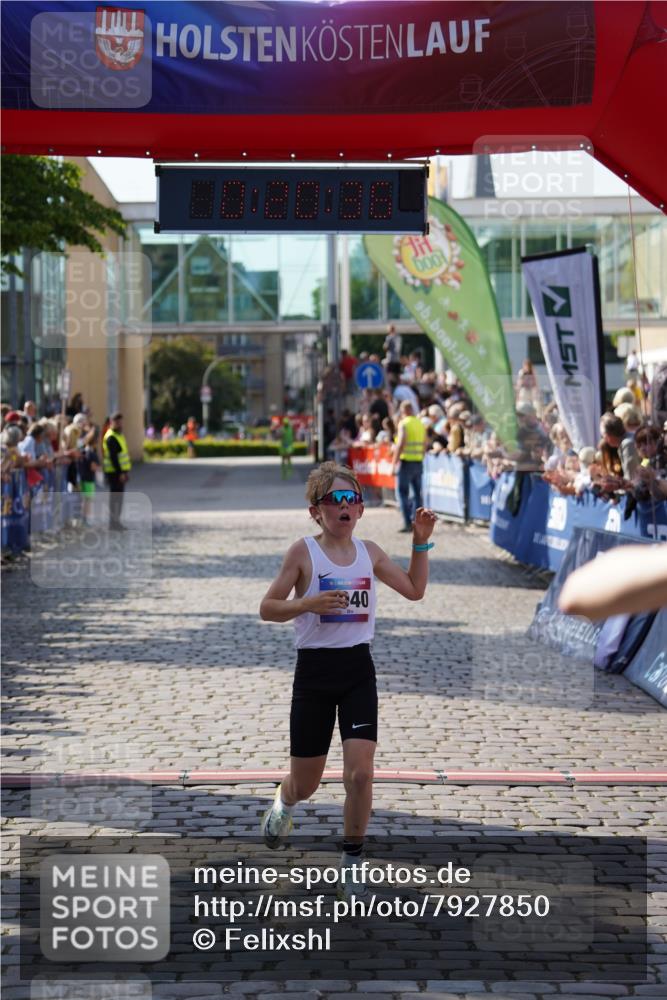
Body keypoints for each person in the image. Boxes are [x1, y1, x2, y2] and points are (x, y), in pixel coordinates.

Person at [258, 461, 437, 900]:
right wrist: (308, 603)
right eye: (335, 499)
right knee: (306, 783)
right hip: (314, 674)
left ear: (360, 510)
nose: (345, 506)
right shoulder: (303, 553)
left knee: (360, 775)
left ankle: (352, 861)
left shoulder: (369, 553)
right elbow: (267, 607)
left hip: (358, 670)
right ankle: (285, 800)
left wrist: (420, 542)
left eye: (352, 499)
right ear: (316, 511)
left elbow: (414, 590)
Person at [392, 400, 427, 533]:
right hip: (418, 462)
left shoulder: (404, 423)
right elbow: (425, 442)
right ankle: (418, 523)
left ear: (403, 411)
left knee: (403, 493)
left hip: (406, 462)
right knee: (417, 494)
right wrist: (421, 456)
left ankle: (407, 523)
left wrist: (394, 463)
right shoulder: (420, 423)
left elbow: (401, 443)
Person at [102, 411, 131, 530]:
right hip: (114, 472)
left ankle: (116, 522)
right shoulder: (111, 437)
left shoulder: (119, 435)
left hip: (120, 472)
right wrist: (121, 473)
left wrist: (125, 472)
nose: (119, 424)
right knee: (115, 499)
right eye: (117, 422)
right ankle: (113, 523)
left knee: (119, 498)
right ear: (111, 422)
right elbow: (114, 458)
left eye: (120, 422)